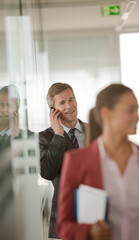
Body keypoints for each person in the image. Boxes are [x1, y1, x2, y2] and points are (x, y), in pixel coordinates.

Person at [56, 83, 139, 240]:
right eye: (131, 110)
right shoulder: (76, 161)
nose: (137, 117)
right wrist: (89, 232)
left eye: (137, 110)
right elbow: (63, 225)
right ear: (106, 114)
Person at [39, 82, 87, 239]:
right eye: (62, 102)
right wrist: (58, 136)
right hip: (64, 213)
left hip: (97, 211)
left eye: (71, 99)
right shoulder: (44, 137)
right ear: (53, 111)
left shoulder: (94, 129)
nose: (69, 106)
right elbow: (47, 172)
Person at [0, 85, 34, 152]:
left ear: (16, 110)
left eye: (9, 105)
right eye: (1, 104)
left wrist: (16, 136)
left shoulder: (28, 136)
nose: (4, 110)